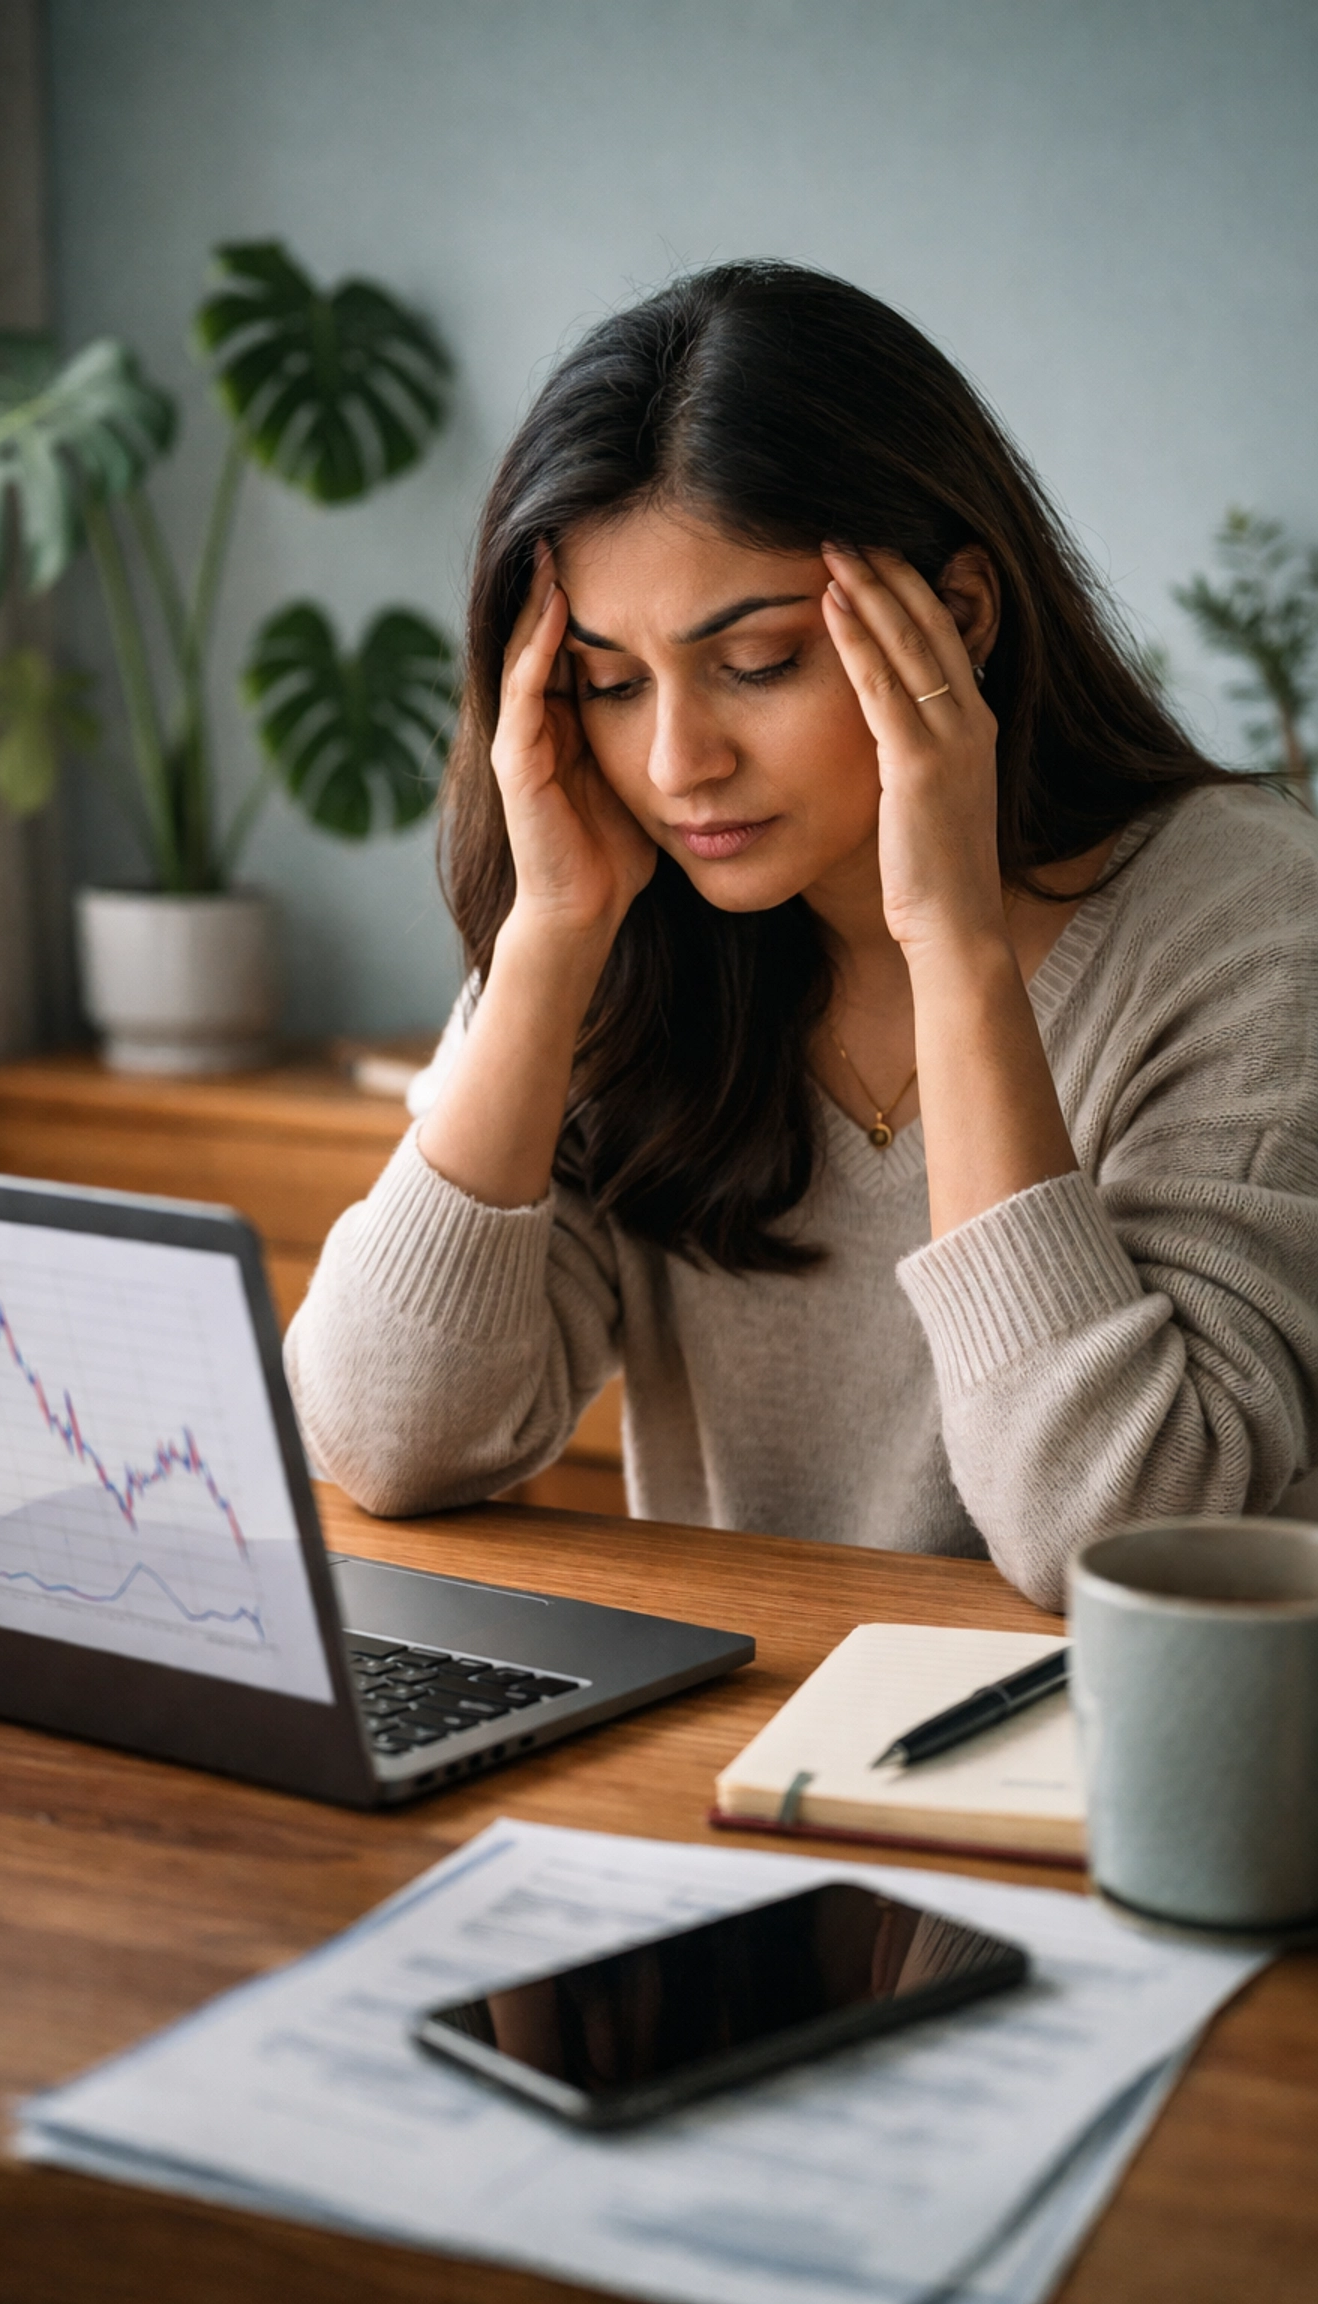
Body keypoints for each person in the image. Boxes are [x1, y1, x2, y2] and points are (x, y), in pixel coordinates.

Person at [288, 261, 1318, 1611]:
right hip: (740, 1720)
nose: (677, 763)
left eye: (758, 663)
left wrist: (953, 940)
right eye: (609, 683)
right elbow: (383, 1439)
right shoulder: (616, 930)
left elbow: (1120, 1536)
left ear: (958, 617)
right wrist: (546, 943)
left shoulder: (1252, 927)